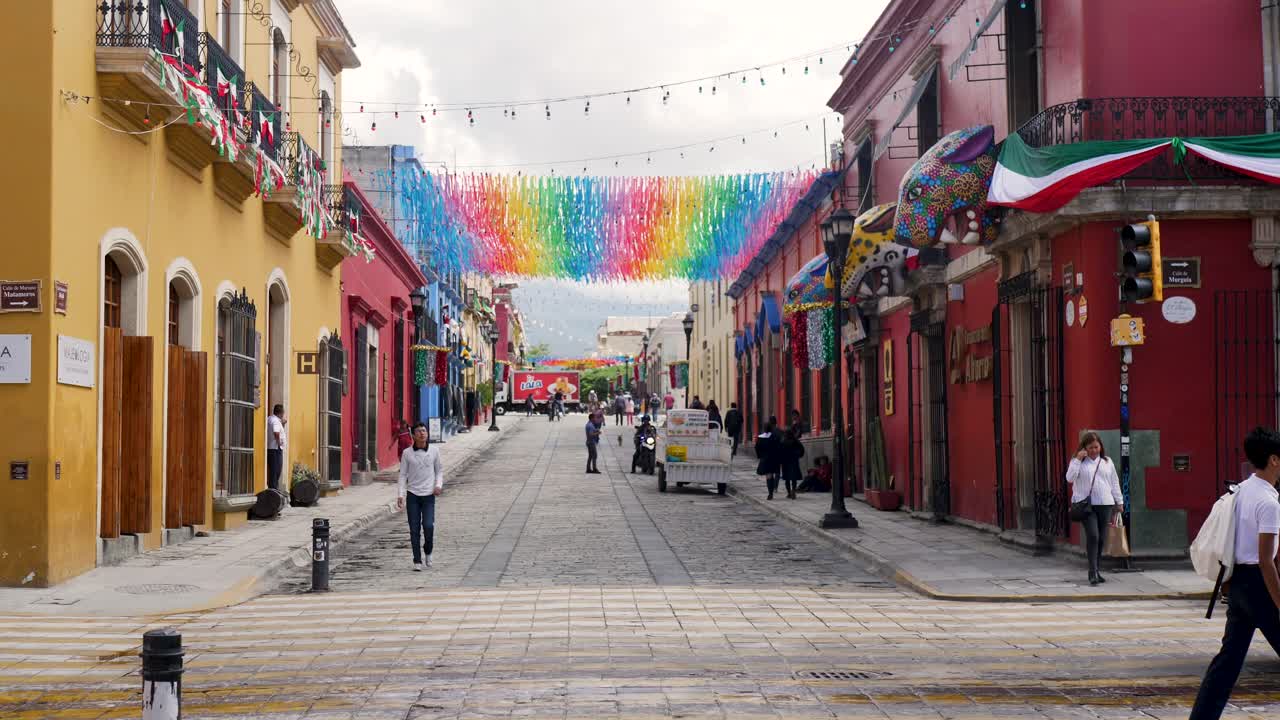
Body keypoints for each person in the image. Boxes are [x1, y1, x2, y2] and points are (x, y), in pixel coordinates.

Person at [1189, 427, 1280, 719]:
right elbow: (1267, 561)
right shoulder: (1269, 502)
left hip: (1237, 584)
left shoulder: (1240, 491)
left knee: (1227, 663)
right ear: (1274, 460)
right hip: (1259, 585)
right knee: (1228, 660)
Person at [1065, 431, 1125, 586]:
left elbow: (1114, 482)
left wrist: (1119, 501)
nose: (1094, 450)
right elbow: (1069, 478)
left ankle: (1097, 570)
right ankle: (1092, 572)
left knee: (1101, 539)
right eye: (1090, 447)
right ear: (1084, 447)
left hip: (1105, 504)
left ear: (1100, 447)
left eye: (1096, 447)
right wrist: (1078, 459)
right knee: (1093, 536)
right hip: (1086, 506)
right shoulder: (1078, 461)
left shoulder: (1107, 461)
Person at [396, 422, 444, 571]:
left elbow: (439, 471)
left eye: (424, 431)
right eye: (418, 431)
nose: (422, 433)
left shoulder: (435, 451)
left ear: (427, 433)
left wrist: (438, 485)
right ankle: (417, 560)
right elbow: (403, 475)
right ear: (413, 435)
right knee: (414, 529)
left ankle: (428, 551)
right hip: (413, 496)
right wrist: (400, 494)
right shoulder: (407, 453)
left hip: (429, 495)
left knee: (428, 526)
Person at [754, 416, 783, 500]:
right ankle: (774, 488)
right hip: (774, 458)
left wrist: (760, 456)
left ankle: (770, 493)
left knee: (768, 476)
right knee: (774, 474)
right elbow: (779, 447)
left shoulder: (760, 438)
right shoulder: (774, 437)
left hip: (765, 459)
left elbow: (757, 448)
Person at [779, 426, 805, 500]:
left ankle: (789, 493)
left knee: (787, 478)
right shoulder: (795, 440)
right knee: (793, 478)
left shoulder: (783, 441)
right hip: (793, 461)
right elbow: (801, 449)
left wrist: (780, 461)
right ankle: (793, 491)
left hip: (785, 462)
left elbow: (780, 452)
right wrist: (798, 455)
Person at [266, 404, 287, 493]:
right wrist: (279, 443)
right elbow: (276, 432)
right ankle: (274, 489)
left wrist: (282, 424)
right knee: (276, 469)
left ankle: (273, 487)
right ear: (281, 413)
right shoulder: (275, 421)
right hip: (275, 448)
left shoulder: (270, 418)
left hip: (271, 447)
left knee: (273, 469)